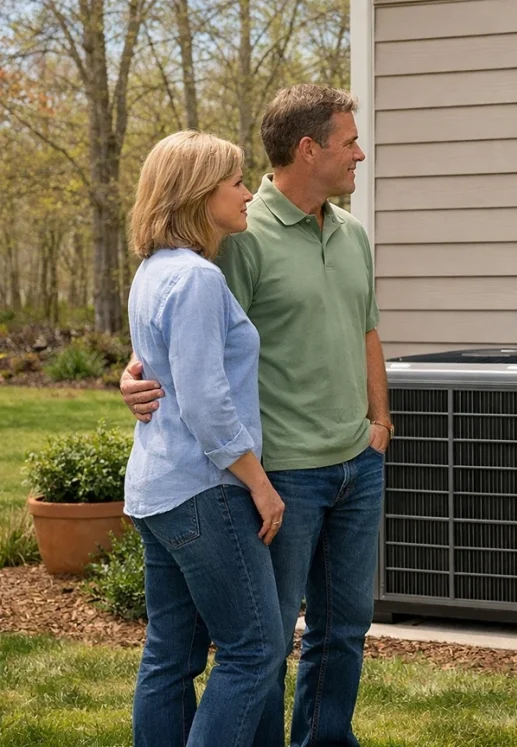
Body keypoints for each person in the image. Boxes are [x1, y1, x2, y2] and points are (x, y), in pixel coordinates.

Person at [121, 85, 390, 747]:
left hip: (356, 460)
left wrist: (379, 424)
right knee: (259, 647)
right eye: (348, 141)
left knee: (342, 627)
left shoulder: (352, 233)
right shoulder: (237, 240)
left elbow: (367, 331)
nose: (360, 153)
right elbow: (190, 356)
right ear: (308, 148)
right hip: (281, 472)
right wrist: (133, 375)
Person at [124, 130, 287, 746]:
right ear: (199, 193)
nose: (249, 193)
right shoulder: (195, 279)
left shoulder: (153, 271)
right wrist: (260, 486)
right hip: (205, 489)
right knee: (255, 651)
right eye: (238, 182)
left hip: (158, 489)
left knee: (171, 656)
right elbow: (205, 401)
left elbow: (158, 375)